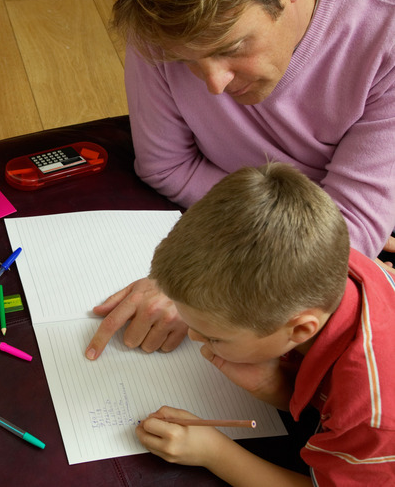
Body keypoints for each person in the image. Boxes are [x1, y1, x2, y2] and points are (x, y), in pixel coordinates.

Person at [85, 0, 395, 360]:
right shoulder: (158, 27)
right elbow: (165, 167)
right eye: (186, 61)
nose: (214, 84)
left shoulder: (386, 29)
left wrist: (211, 283)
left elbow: (352, 227)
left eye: (231, 47)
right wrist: (288, 221)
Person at [136, 162, 395, 485]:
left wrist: (213, 453)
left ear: (301, 330)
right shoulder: (336, 262)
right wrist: (281, 390)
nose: (193, 336)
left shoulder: (371, 415)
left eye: (215, 337)